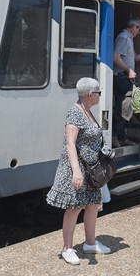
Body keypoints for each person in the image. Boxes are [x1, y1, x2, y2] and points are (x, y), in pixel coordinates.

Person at [46, 77, 111, 265]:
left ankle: (90, 243)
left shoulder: (88, 112)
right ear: (91, 95)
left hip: (91, 170)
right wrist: (76, 170)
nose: (100, 95)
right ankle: (67, 248)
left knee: (92, 204)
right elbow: (70, 143)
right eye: (99, 92)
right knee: (74, 207)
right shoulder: (75, 113)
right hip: (78, 169)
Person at [112, 17, 140, 147]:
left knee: (128, 107)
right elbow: (115, 57)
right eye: (139, 29)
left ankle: (121, 137)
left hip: (125, 77)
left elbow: (134, 57)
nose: (139, 32)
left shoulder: (129, 39)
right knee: (125, 108)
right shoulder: (124, 37)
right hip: (121, 77)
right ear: (133, 27)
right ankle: (115, 136)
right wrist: (128, 70)